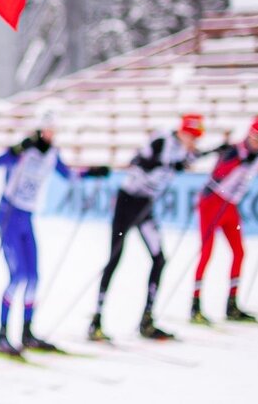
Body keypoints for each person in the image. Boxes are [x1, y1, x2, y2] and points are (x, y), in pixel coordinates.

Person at [88, 113, 203, 342]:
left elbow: (179, 164)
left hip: (145, 206)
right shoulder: (162, 140)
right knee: (115, 258)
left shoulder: (183, 150)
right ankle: (96, 321)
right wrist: (166, 164)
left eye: (196, 137)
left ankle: (147, 320)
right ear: (182, 131)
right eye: (190, 135)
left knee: (159, 258)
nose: (193, 140)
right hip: (128, 202)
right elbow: (139, 161)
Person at [0, 119, 70, 357]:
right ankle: (1, 335)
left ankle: (27, 332)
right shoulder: (25, 149)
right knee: (18, 276)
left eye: (54, 129)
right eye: (47, 128)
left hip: (27, 216)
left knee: (33, 277)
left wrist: (94, 172)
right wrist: (13, 151)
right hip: (8, 214)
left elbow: (68, 175)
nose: (50, 134)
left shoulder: (52, 154)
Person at [190, 116, 258, 325]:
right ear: (249, 135)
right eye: (255, 137)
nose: (257, 142)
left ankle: (232, 303)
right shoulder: (235, 150)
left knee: (239, 251)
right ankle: (195, 304)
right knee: (206, 252)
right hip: (213, 201)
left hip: (230, 205)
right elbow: (219, 174)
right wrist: (239, 161)